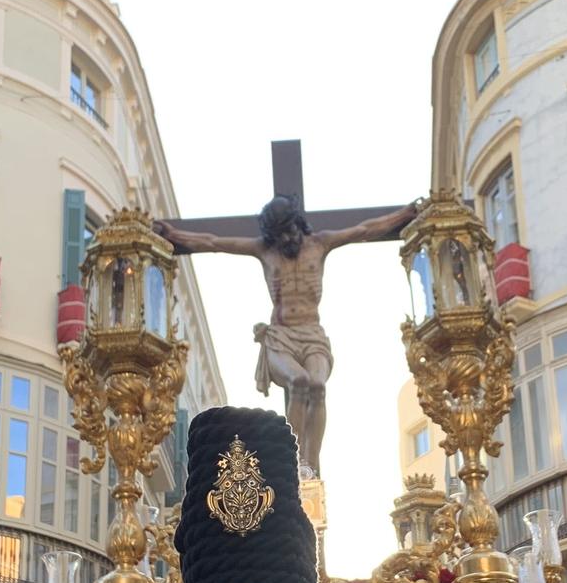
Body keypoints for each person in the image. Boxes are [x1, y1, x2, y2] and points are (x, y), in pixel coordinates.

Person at [156, 197, 419, 476]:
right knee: (299, 380)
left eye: (290, 231)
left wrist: (403, 215)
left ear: (298, 225)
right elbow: (213, 242)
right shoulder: (264, 251)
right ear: (272, 235)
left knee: (317, 386)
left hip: (312, 334)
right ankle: (290, 458)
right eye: (280, 235)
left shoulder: (320, 243)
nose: (287, 239)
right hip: (281, 337)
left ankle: (310, 464)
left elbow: (365, 230)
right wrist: (174, 236)